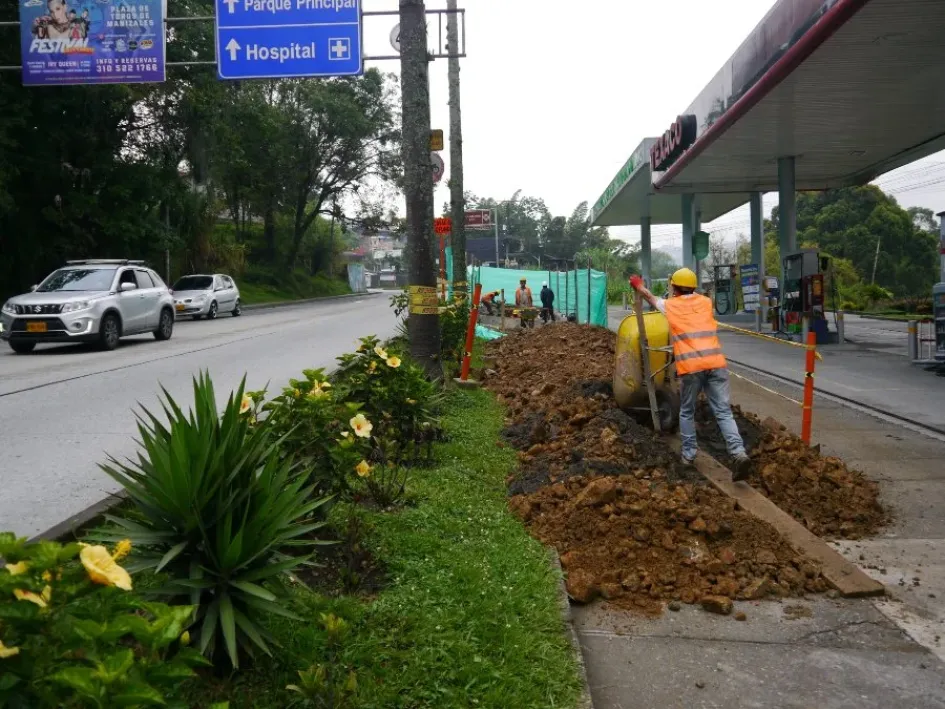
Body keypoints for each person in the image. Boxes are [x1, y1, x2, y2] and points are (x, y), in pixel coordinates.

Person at [629, 267, 752, 480]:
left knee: (686, 411)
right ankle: (738, 453)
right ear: (694, 286)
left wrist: (639, 286)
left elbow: (650, 298)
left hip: (691, 367)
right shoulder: (706, 303)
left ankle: (688, 455)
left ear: (674, 288)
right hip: (716, 364)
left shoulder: (672, 306)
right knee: (723, 411)